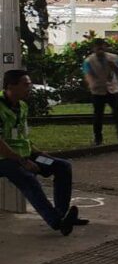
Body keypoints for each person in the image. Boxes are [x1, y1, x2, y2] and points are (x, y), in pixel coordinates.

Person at [0, 70, 85, 235]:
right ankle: (57, 222)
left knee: (62, 166)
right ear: (11, 86)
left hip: (24, 154)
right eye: (25, 84)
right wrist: (23, 161)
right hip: (5, 159)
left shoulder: (22, 106)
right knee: (27, 178)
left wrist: (40, 154)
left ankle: (62, 214)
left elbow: (22, 136)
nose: (29, 88)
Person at [82, 38, 118, 146]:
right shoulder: (88, 61)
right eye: (98, 49)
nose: (100, 51)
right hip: (98, 91)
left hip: (113, 89)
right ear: (94, 49)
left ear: (105, 47)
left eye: (102, 48)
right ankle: (98, 138)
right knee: (98, 116)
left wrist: (114, 66)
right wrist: (91, 85)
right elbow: (87, 75)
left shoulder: (114, 58)